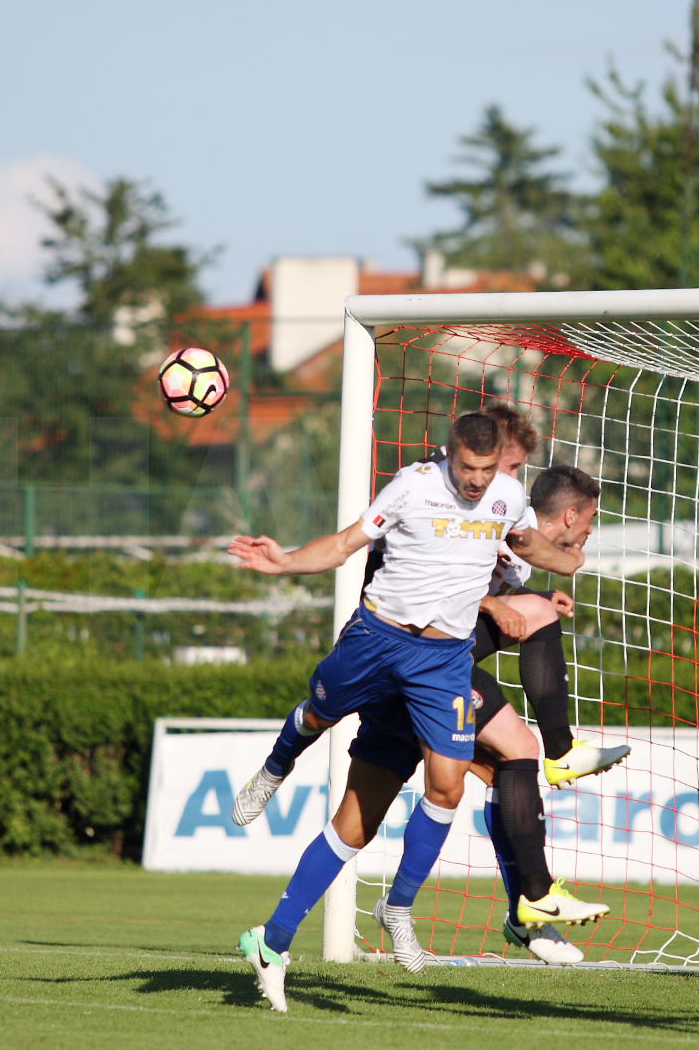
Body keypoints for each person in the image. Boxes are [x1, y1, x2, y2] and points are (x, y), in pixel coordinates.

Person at [227, 411, 582, 1011]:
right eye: (467, 469)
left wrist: (565, 557)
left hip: (441, 661)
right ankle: (274, 768)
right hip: (377, 638)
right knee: (317, 720)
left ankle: (346, 922)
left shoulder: (508, 496)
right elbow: (345, 544)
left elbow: (528, 543)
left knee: (446, 788)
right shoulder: (412, 485)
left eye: (487, 470)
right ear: (448, 456)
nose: (475, 482)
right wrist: (283, 560)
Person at [472, 462, 627, 963]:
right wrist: (532, 600)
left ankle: (530, 915)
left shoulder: (516, 547)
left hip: (442, 664)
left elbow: (487, 599)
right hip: (415, 660)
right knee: (439, 790)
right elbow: (448, 591)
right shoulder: (502, 528)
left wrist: (532, 598)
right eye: (590, 520)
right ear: (569, 514)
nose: (589, 531)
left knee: (506, 769)